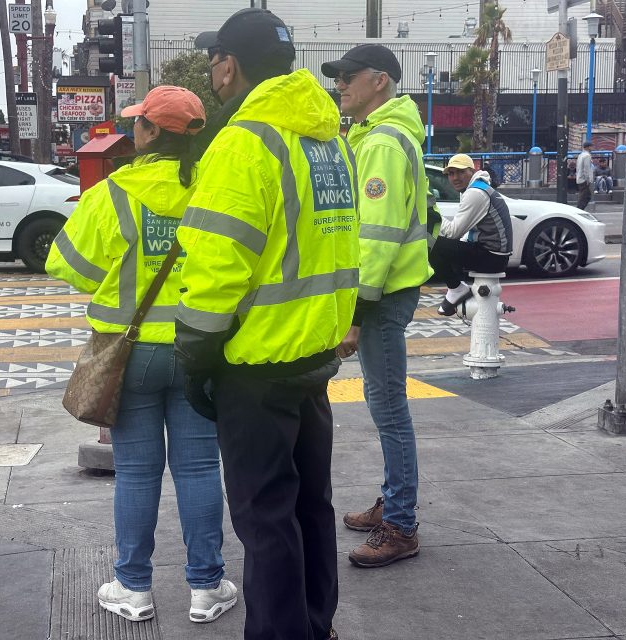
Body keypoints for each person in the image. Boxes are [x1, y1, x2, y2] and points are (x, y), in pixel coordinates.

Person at [176, 9, 359, 640]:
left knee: (264, 517)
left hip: (254, 363)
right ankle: (316, 625)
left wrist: (195, 354)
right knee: (311, 504)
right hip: (312, 352)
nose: (212, 73)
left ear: (230, 63)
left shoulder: (244, 141)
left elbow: (218, 262)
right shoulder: (326, 138)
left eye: (214, 60)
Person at [45, 86, 236, 625]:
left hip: (129, 355)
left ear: (152, 133)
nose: (133, 131)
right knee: (199, 468)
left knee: (135, 472)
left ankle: (133, 588)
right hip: (199, 349)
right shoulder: (217, 191)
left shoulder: (112, 193)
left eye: (139, 124)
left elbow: (69, 267)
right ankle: (205, 587)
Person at [321, 45, 432, 568]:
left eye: (349, 77)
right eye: (338, 78)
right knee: (386, 404)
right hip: (384, 291)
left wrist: (356, 317)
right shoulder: (374, 135)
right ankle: (394, 499)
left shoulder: (383, 143)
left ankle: (402, 524)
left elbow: (378, 239)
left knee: (389, 408)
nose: (341, 86)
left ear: (380, 81)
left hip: (382, 295)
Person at [429, 154, 513, 315]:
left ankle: (456, 288)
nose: (455, 178)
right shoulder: (478, 187)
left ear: (471, 171)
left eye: (461, 172)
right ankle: (457, 289)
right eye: (451, 174)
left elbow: (453, 232)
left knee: (431, 243)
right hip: (494, 254)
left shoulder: (475, 193)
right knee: (449, 248)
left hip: (492, 258)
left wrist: (430, 214)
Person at [576, 141, 594, 210]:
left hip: (579, 178)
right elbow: (587, 168)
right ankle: (579, 209)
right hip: (584, 179)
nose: (592, 148)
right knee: (585, 196)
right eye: (591, 146)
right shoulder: (587, 156)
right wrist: (588, 179)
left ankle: (579, 208)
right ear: (588, 147)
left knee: (584, 195)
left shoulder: (581, 155)